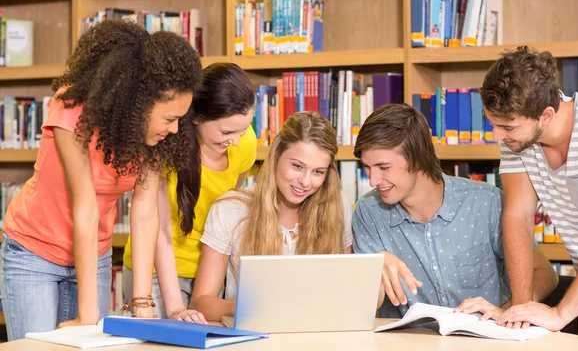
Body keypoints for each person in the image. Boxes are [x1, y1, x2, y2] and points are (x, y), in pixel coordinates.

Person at [0, 20, 201, 341]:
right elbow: (86, 206)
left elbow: (146, 212)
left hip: (95, 255)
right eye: (169, 118)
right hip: (34, 252)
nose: (175, 129)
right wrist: (88, 315)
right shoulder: (71, 109)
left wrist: (142, 304)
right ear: (139, 104)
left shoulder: (152, 138)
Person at [351, 103, 558, 320]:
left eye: (384, 168)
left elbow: (545, 275)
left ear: (418, 158)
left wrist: (506, 312)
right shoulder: (368, 212)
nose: (373, 180)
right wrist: (373, 265)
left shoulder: (486, 203)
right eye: (366, 167)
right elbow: (364, 305)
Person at [122, 63, 257, 322]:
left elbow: (230, 209)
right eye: (227, 132)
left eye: (243, 129)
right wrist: (174, 307)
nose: (236, 141)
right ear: (196, 117)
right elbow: (158, 229)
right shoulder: (164, 143)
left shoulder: (244, 143)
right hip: (155, 271)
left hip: (209, 272)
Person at [480, 46, 578, 338]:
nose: (496, 135)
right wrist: (521, 308)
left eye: (506, 126)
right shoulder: (516, 140)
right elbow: (517, 217)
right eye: (492, 123)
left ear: (546, 115)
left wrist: (560, 313)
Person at [189, 111, 353, 321]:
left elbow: (349, 293)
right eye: (297, 166)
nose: (305, 181)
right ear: (276, 156)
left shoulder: (337, 207)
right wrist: (255, 307)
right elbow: (201, 302)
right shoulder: (230, 209)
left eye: (318, 172)